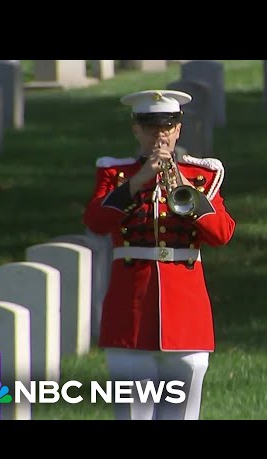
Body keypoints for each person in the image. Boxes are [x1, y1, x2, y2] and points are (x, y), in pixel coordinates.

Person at [83, 89, 236, 420]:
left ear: (179, 129)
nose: (160, 134)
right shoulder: (116, 175)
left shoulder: (202, 176)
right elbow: (96, 222)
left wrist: (184, 187)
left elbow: (221, 234)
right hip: (131, 316)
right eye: (150, 126)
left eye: (168, 126)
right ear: (136, 129)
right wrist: (137, 182)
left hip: (186, 319)